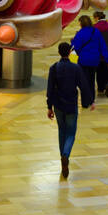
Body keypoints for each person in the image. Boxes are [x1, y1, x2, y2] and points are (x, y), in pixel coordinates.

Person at [46, 40, 94, 179]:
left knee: (62, 131)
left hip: (58, 105)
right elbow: (84, 86)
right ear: (69, 52)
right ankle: (66, 155)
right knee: (71, 133)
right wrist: (90, 101)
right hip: (71, 105)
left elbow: (50, 90)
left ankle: (63, 158)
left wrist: (49, 107)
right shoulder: (75, 68)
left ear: (59, 53)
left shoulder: (53, 68)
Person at [71, 14, 108, 103]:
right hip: (94, 61)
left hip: (83, 61)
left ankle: (85, 102)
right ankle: (91, 99)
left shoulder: (80, 33)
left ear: (82, 23)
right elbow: (103, 47)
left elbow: (75, 47)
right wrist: (107, 59)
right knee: (91, 80)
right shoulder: (96, 32)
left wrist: (73, 41)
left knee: (84, 81)